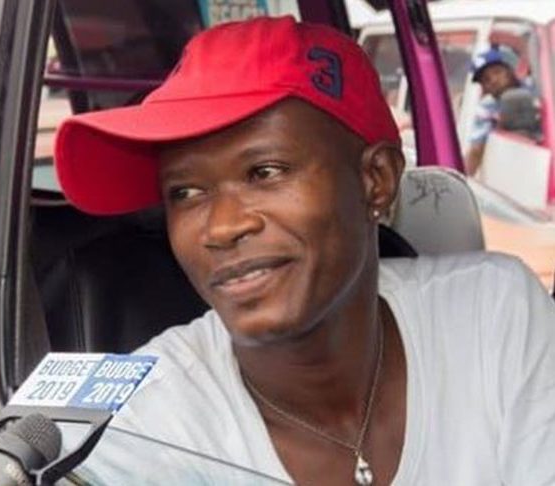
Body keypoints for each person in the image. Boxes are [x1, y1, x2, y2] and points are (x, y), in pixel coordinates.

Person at [54, 16, 555, 485]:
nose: (222, 227)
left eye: (265, 172)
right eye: (185, 193)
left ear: (376, 179)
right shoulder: (139, 419)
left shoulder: (492, 315)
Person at [464, 47, 538, 176]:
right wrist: (463, 179)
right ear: (484, 88)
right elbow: (476, 150)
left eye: (497, 72)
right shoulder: (486, 110)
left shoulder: (536, 87)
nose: (493, 80)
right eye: (486, 79)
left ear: (509, 70)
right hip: (523, 166)